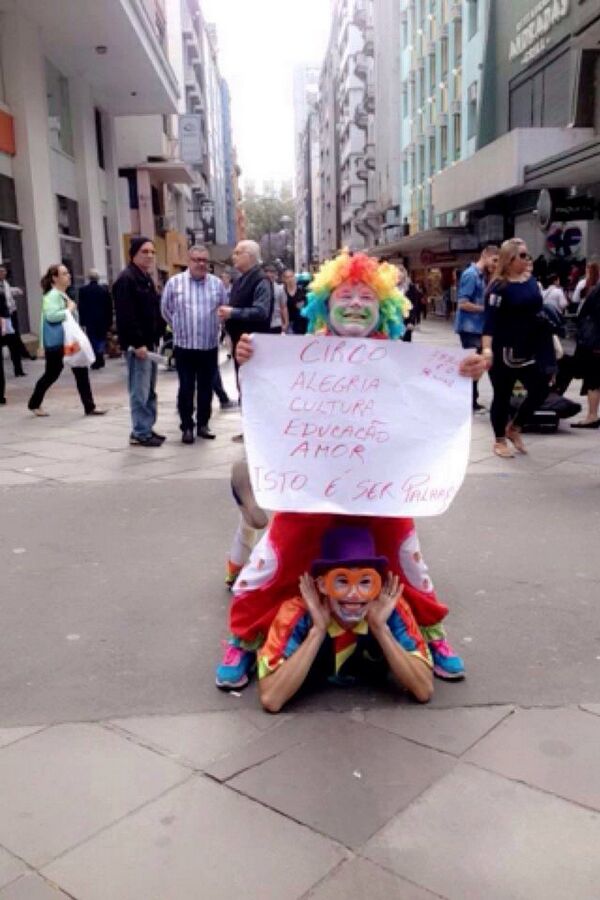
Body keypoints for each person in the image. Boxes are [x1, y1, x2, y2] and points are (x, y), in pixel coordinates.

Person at [215, 251, 486, 690]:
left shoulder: (400, 358)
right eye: (345, 294)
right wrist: (249, 357)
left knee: (405, 559)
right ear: (325, 304)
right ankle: (243, 639)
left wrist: (464, 372)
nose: (356, 303)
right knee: (277, 556)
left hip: (381, 493)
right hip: (310, 490)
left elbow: (429, 403)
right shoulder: (298, 354)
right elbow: (268, 401)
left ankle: (432, 635)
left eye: (367, 296)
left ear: (386, 307)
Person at [258, 525, 433, 712]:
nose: (353, 594)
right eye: (342, 581)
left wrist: (381, 629)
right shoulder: (297, 612)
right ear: (323, 585)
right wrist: (317, 631)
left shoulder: (390, 609)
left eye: (365, 582)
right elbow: (272, 699)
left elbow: (423, 690)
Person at [481, 238, 551, 458]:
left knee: (541, 388)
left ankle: (516, 426)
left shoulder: (531, 281)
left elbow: (539, 311)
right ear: (509, 259)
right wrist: (487, 349)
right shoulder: (498, 286)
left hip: (531, 347)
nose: (526, 259)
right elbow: (489, 322)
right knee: (502, 394)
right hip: (505, 349)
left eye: (527, 254)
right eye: (522, 255)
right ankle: (500, 440)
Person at [161, 245, 229, 443]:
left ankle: (203, 424)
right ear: (189, 261)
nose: (201, 264)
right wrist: (180, 327)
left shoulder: (217, 284)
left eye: (204, 260)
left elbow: (223, 310)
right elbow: (165, 310)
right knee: (186, 387)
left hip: (208, 346)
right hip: (184, 346)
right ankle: (187, 427)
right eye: (196, 260)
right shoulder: (175, 283)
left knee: (206, 388)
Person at [27, 264, 105, 417]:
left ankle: (89, 406)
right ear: (54, 278)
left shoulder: (62, 294)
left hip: (67, 342)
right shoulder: (52, 296)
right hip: (58, 343)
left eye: (68, 273)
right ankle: (34, 403)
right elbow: (50, 316)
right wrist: (69, 309)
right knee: (52, 374)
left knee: (80, 369)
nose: (68, 276)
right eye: (64, 274)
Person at [113, 236, 166, 447]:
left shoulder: (144, 277)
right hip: (139, 345)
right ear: (133, 254)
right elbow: (126, 316)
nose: (150, 255)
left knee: (149, 389)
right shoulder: (127, 279)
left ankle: (147, 427)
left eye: (152, 252)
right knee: (140, 390)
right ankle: (140, 432)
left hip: (149, 342)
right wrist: (138, 343)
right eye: (145, 251)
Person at [454, 245, 499, 412]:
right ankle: (470, 401)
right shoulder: (471, 275)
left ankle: (472, 400)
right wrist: (485, 309)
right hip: (470, 328)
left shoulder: (482, 276)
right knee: (474, 365)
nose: (495, 264)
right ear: (485, 255)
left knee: (477, 365)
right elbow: (463, 303)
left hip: (477, 327)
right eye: (494, 260)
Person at [570, 281, 600, 428]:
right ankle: (592, 415)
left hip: (594, 343)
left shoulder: (595, 291)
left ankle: (592, 415)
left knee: (593, 379)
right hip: (596, 341)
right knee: (594, 379)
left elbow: (583, 315)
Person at [78, 269, 113, 370]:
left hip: (90, 320)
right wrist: (109, 320)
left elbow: (81, 307)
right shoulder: (104, 290)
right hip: (102, 319)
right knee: (101, 338)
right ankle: (100, 354)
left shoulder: (83, 290)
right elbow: (109, 306)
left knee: (92, 338)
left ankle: (96, 358)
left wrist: (82, 321)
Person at [0, 265, 26, 377]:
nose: (3, 273)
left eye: (4, 271)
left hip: (9, 316)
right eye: (1, 271)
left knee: (14, 344)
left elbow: (9, 295)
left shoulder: (5, 284)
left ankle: (18, 370)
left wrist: (16, 291)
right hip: (2, 318)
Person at [396, 264, 420, 343]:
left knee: (405, 344)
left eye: (399, 275)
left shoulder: (410, 287)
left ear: (404, 275)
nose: (397, 277)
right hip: (394, 321)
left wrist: (411, 322)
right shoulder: (391, 287)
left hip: (406, 321)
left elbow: (414, 306)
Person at [264, 263, 289, 334]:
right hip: (263, 323)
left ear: (275, 275)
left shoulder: (280, 288)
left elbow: (283, 307)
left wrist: (286, 323)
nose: (269, 275)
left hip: (276, 323)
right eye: (267, 272)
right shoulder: (260, 288)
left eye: (272, 273)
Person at [284, 268, 308, 335]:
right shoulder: (282, 292)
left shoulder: (302, 292)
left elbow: (307, 306)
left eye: (291, 276)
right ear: (285, 280)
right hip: (288, 324)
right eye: (287, 277)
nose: (290, 279)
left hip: (301, 325)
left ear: (294, 277)